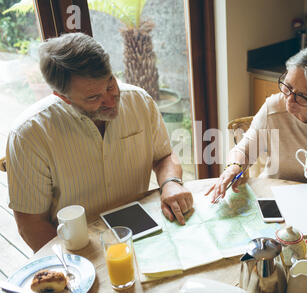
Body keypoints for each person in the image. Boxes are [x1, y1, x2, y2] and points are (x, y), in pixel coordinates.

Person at [6, 32, 193, 252]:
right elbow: (31, 225)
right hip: (79, 247)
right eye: (93, 97)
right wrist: (75, 266)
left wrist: (170, 182)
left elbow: (164, 156)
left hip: (142, 233)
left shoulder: (140, 101)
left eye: (110, 84)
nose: (110, 100)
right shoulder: (29, 135)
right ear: (63, 98)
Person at [206, 43, 307, 202]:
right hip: (275, 196)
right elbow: (245, 150)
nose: (289, 101)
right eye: (288, 87)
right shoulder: (273, 109)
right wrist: (233, 168)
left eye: (302, 96)